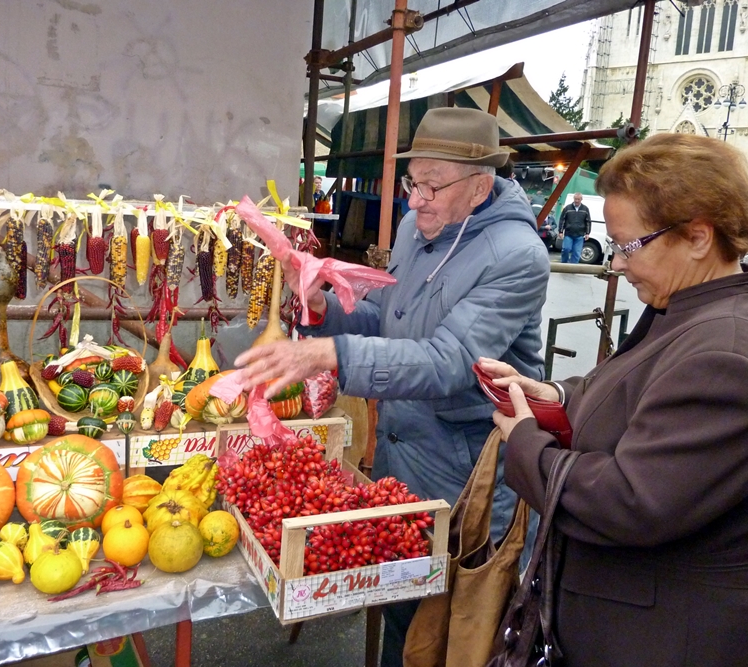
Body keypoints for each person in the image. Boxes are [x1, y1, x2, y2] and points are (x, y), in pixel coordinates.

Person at [481, 133, 748, 666]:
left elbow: (632, 502)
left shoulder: (729, 354)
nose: (615, 264)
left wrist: (526, 443)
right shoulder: (695, 308)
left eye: (626, 245)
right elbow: (633, 387)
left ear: (698, 237)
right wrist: (554, 396)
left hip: (664, 638)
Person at [233, 106, 550, 665]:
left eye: (433, 186)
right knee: (403, 617)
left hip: (466, 473)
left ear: (480, 188)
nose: (415, 199)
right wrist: (323, 308)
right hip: (401, 462)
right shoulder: (414, 228)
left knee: (458, 630)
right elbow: (383, 314)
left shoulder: (517, 256)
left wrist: (329, 353)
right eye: (412, 182)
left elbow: (451, 360)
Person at [557, 192, 591, 263]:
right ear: (573, 199)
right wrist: (560, 231)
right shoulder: (567, 208)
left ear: (581, 199)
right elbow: (562, 220)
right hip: (568, 234)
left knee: (576, 253)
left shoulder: (585, 209)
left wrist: (587, 233)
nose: (577, 201)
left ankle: (572, 267)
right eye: (575, 199)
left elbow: (588, 221)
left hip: (579, 235)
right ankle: (564, 264)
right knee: (566, 249)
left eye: (578, 199)